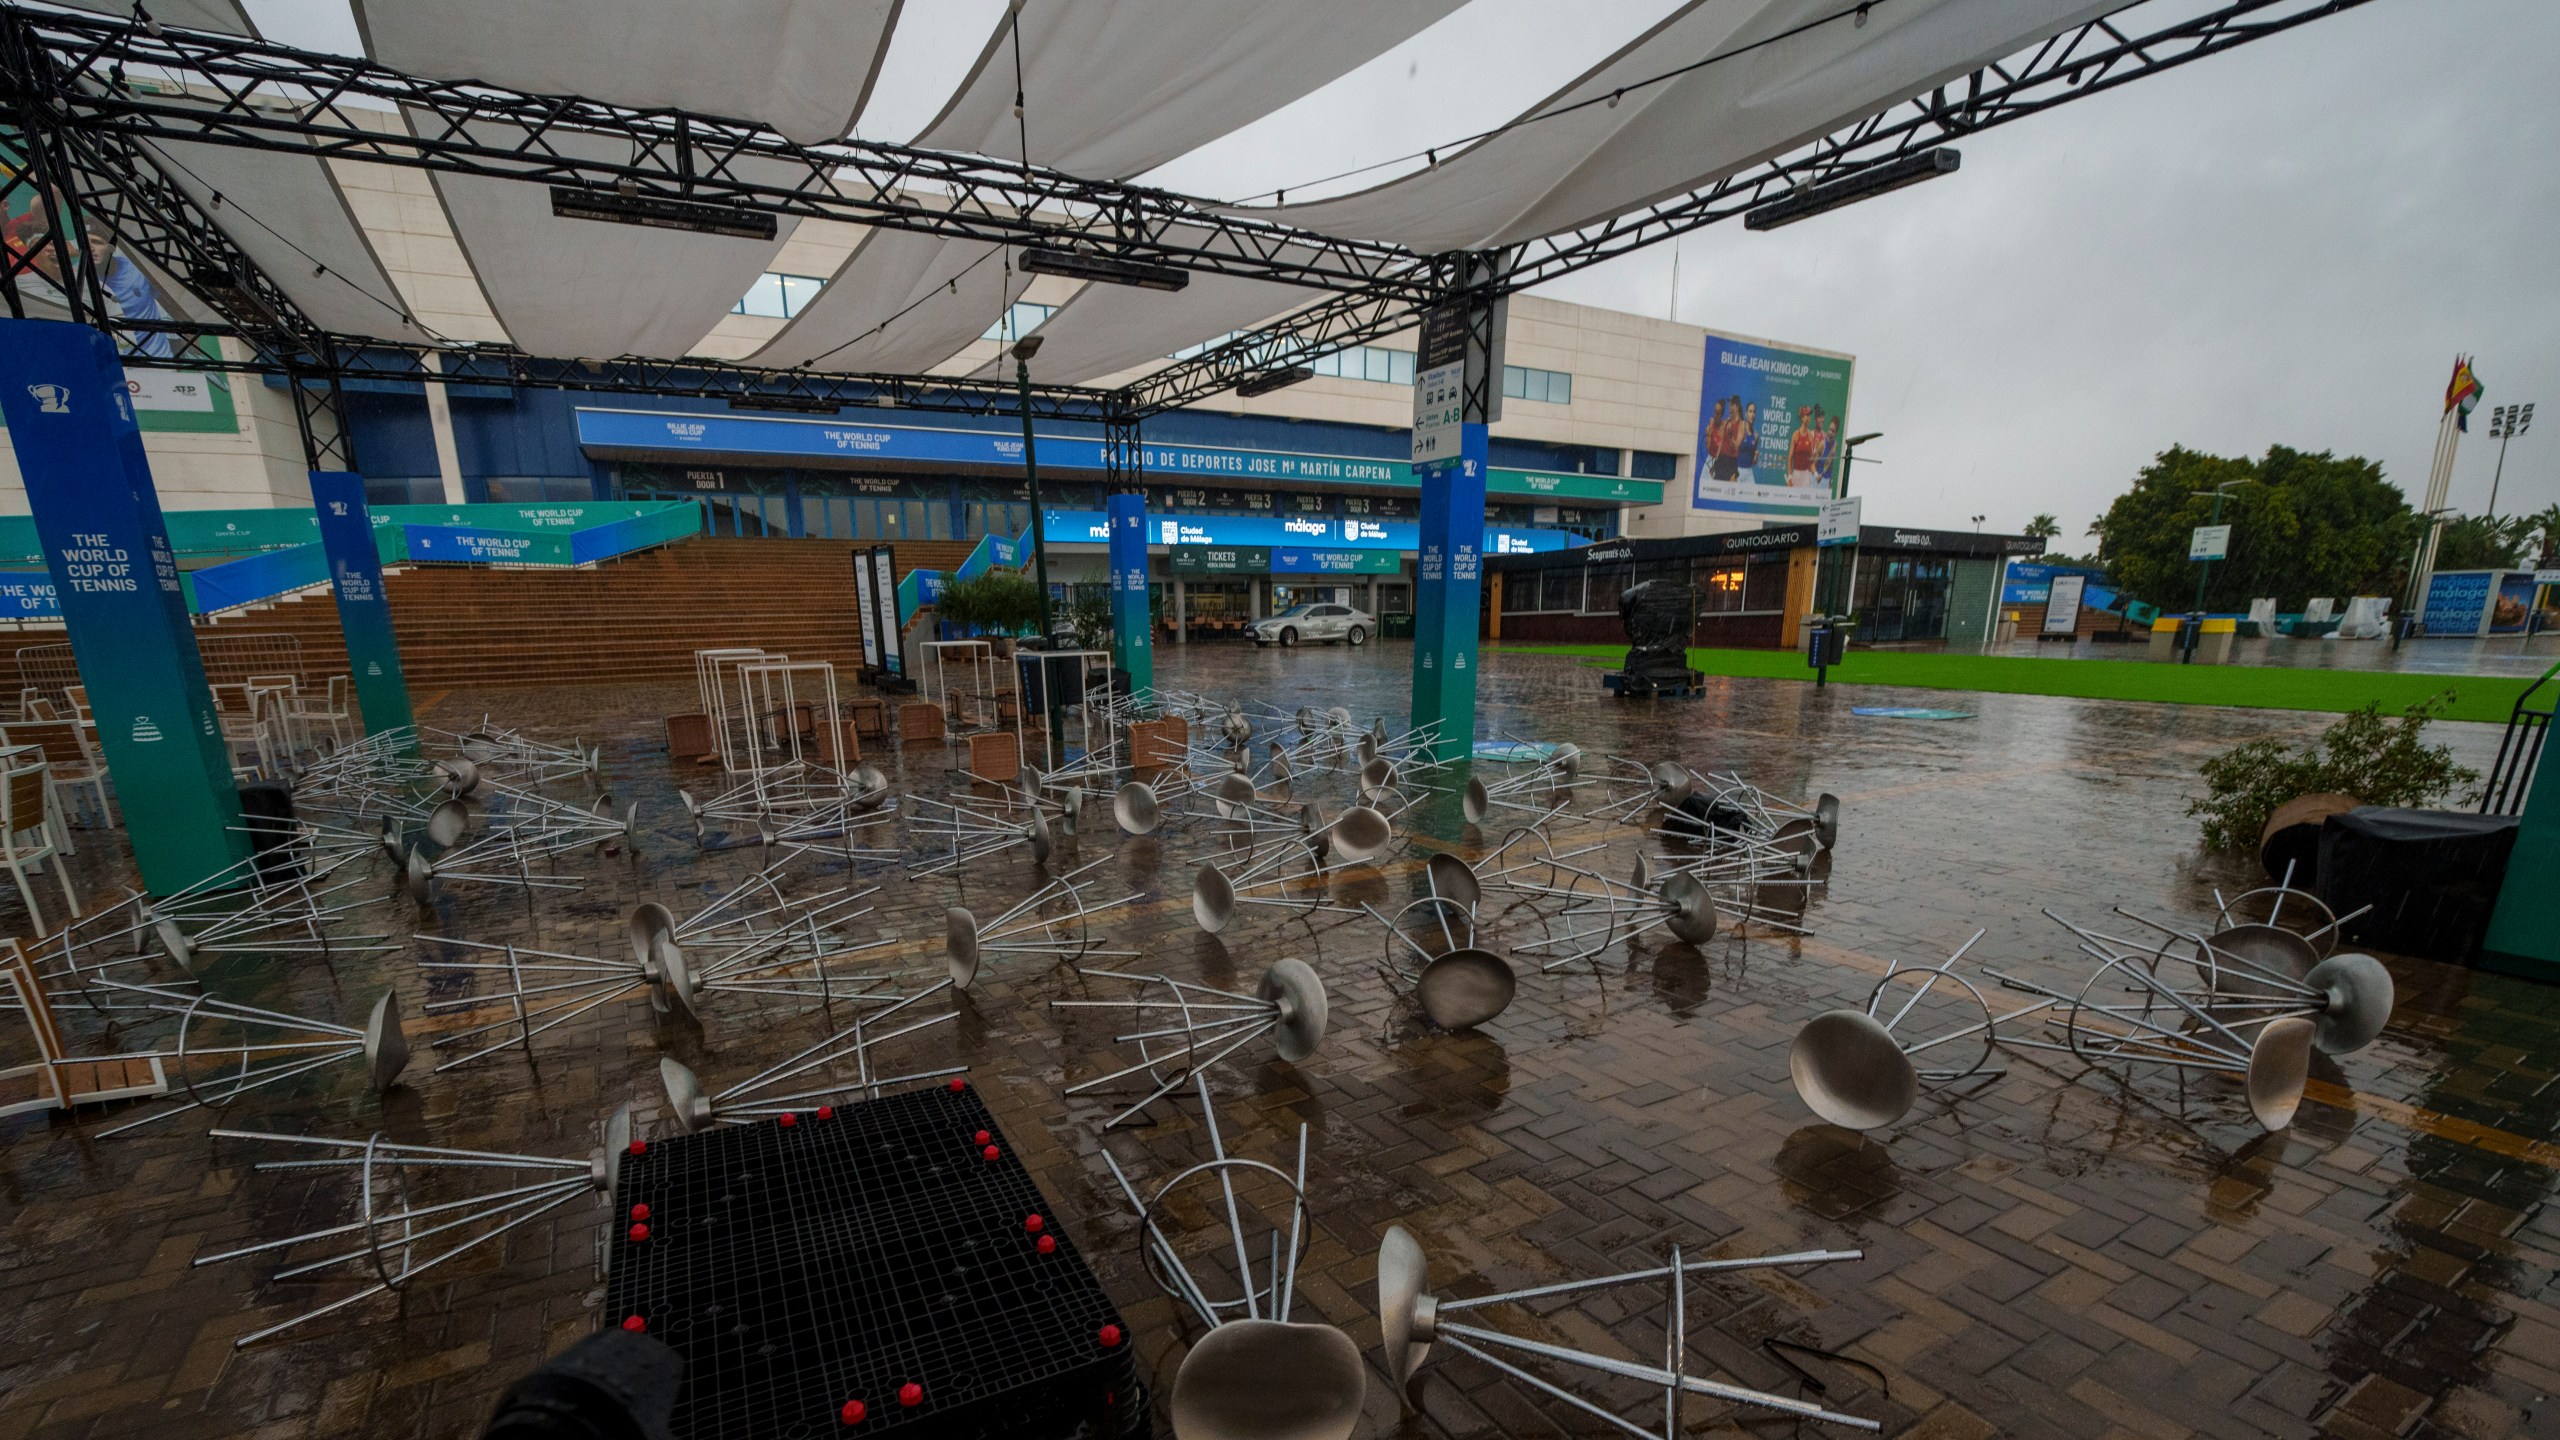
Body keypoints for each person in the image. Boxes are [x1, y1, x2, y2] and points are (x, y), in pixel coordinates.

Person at [1786, 405, 1819, 488]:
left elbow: (1811, 462)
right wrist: (1790, 477)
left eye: (1809, 416)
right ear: (1802, 418)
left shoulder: (1811, 437)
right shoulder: (1796, 435)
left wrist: (1815, 474)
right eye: (1806, 415)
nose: (1808, 418)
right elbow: (1790, 458)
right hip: (1796, 474)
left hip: (1806, 476)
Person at [1736, 402, 1761, 484]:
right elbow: (1735, 448)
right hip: (1738, 471)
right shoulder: (1741, 427)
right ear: (1746, 413)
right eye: (1750, 411)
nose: (1752, 414)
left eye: (1754, 412)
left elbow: (1753, 462)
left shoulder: (1756, 436)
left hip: (1749, 473)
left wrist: (1756, 458)